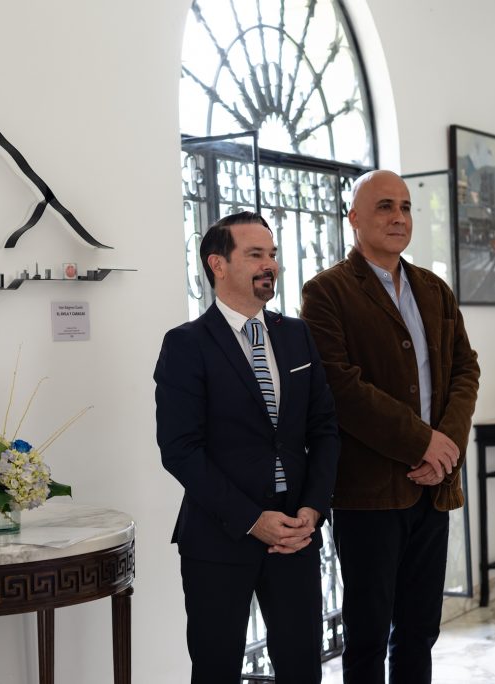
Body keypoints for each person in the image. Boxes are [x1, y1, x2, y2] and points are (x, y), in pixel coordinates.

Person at [300, 170, 480, 684]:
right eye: (384, 206)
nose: (399, 217)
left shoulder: (434, 289)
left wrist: (446, 448)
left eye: (405, 206)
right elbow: (340, 386)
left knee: (420, 631)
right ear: (354, 218)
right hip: (369, 493)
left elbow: (465, 369)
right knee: (368, 636)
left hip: (434, 488)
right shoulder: (327, 292)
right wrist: (423, 442)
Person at [154, 211, 340, 684]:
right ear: (217, 264)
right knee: (216, 669)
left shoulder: (296, 335)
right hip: (219, 539)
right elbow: (180, 449)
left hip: (296, 534)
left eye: (272, 254)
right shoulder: (186, 345)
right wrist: (253, 520)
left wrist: (313, 509)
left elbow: (324, 429)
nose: (270, 264)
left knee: (302, 668)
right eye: (255, 254)